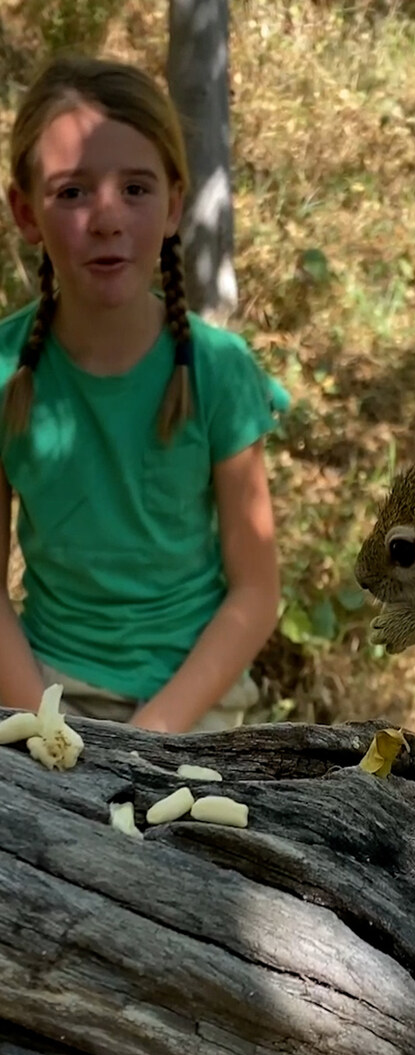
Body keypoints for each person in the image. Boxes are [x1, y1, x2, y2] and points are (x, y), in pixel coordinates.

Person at [0, 55, 289, 733]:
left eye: (136, 187)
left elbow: (255, 590)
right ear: (25, 210)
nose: (106, 217)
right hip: (44, 691)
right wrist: (43, 723)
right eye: (72, 192)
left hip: (196, 703)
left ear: (174, 204)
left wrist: (153, 732)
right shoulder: (6, 368)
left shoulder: (217, 370)